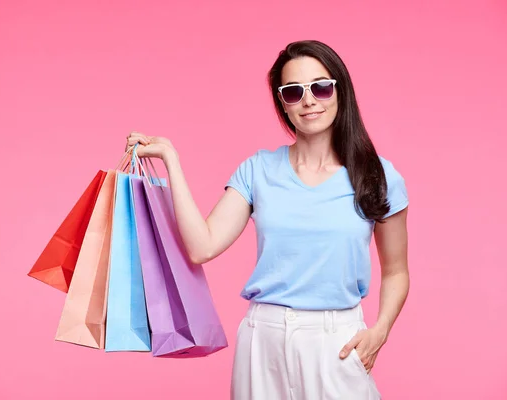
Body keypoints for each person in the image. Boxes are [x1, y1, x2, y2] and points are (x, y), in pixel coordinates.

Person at [126, 39, 409, 400]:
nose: (309, 100)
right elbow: (202, 246)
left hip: (337, 339)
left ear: (340, 91)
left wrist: (380, 329)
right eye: (293, 92)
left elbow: (397, 271)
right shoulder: (258, 170)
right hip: (263, 340)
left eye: (321, 87)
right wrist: (171, 160)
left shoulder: (378, 177)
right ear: (283, 105)